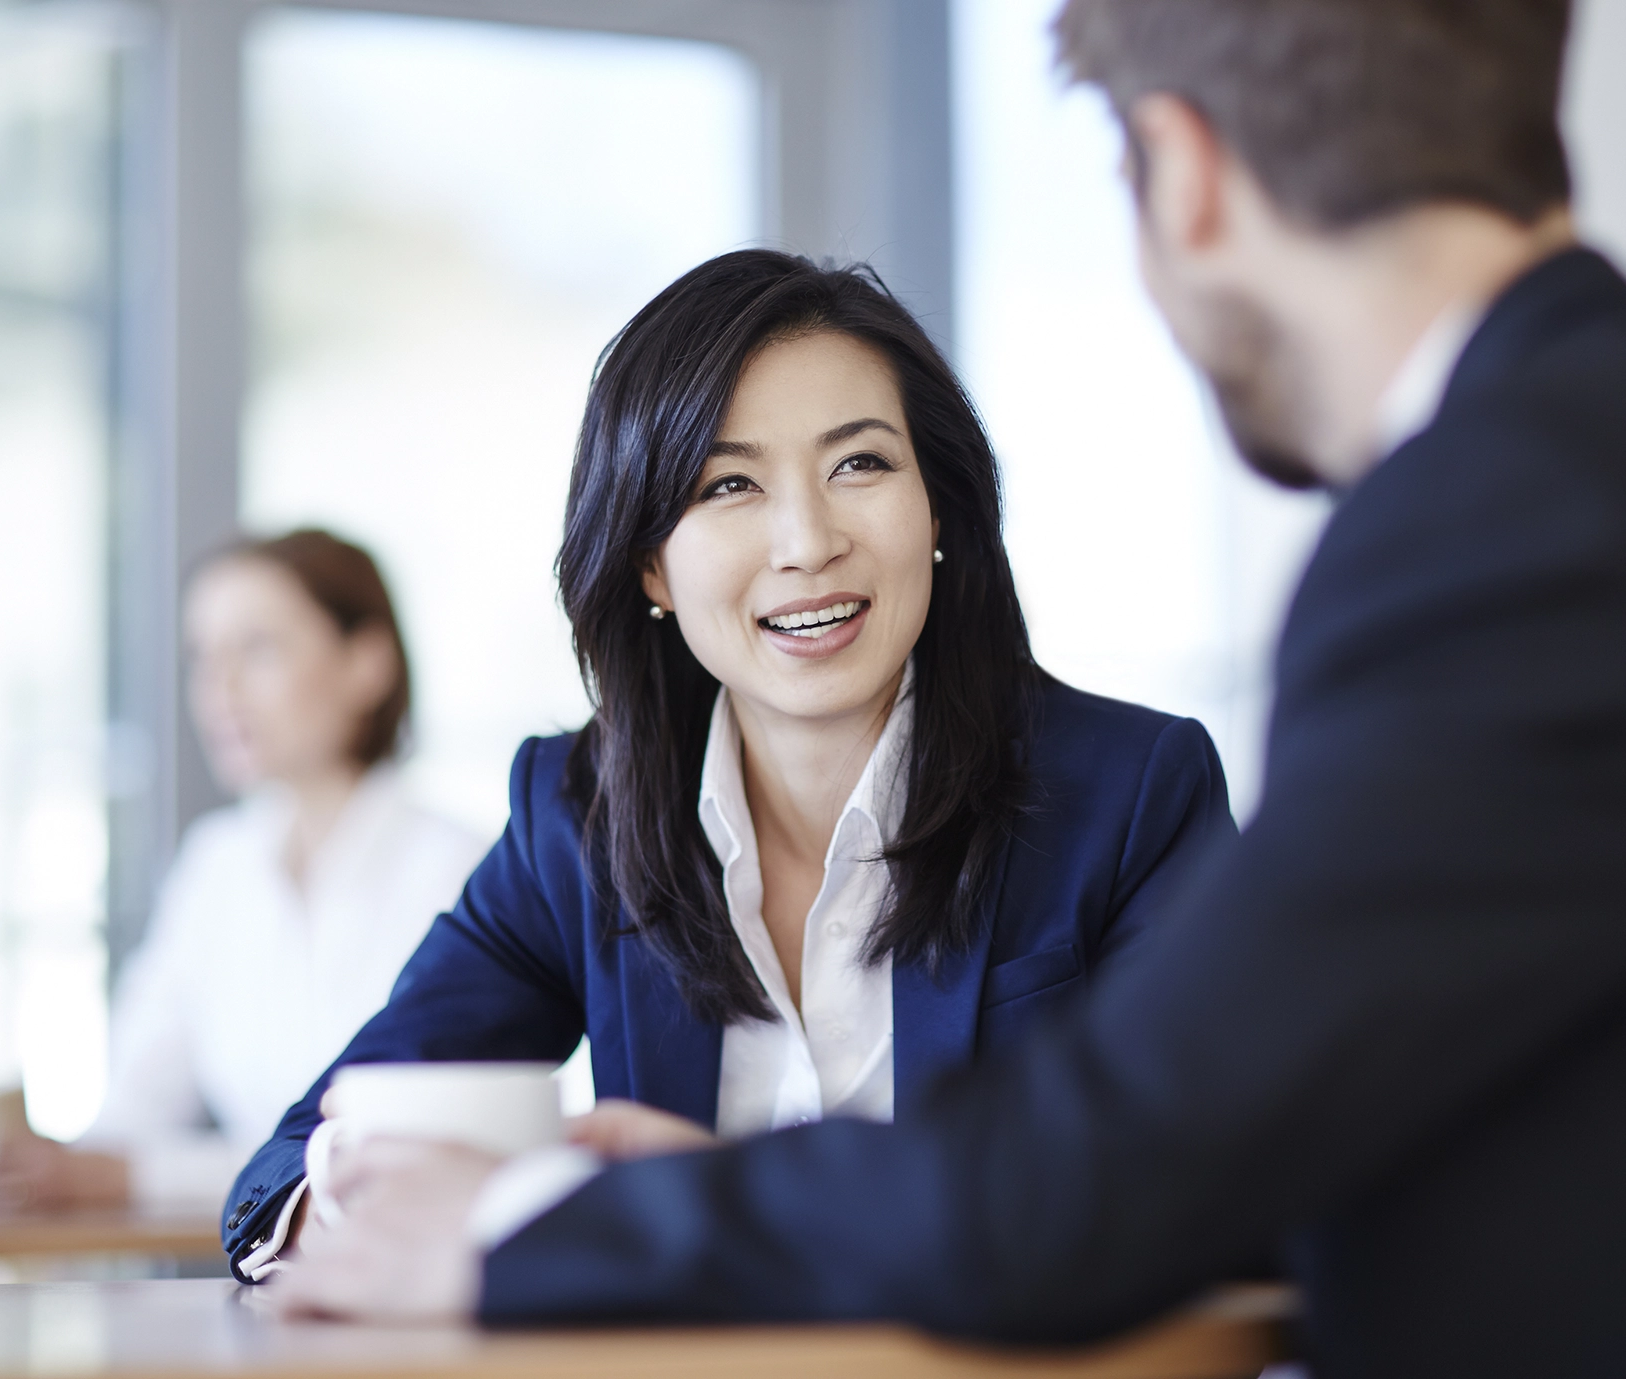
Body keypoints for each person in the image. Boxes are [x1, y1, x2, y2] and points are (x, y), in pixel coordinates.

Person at [257, 0, 1626, 1371]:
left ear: (1186, 169)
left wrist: (522, 1221)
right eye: (722, 484)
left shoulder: (1511, 524)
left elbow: (1119, 1174)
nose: (802, 539)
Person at [219, 252, 1234, 1279]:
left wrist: (688, 1204)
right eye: (728, 483)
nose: (805, 541)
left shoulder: (1131, 792)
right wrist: (379, 1191)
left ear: (939, 511)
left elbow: (1188, 1182)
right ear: (650, 561)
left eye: (860, 464)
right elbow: (284, 1174)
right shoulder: (576, 819)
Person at [0, 530, 486, 1213]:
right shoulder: (217, 863)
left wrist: (141, 1175)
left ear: (366, 662)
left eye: (257, 648)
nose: (218, 689)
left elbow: (389, 1146)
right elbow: (135, 1108)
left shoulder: (458, 867)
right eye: (203, 656)